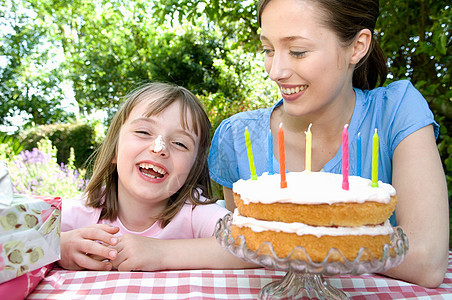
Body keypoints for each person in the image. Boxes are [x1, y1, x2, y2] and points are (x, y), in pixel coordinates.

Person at [209, 0, 449, 288]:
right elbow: (249, 242)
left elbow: (426, 262)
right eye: (268, 50)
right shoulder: (238, 137)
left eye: (298, 52)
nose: (275, 71)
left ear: (358, 46)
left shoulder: (396, 113)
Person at [59, 82, 255, 272]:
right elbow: (29, 238)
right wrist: (59, 247)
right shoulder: (83, 210)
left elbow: (255, 244)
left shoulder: (194, 212)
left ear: (193, 169)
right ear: (114, 150)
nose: (159, 148)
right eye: (143, 132)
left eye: (180, 143)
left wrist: (161, 253)